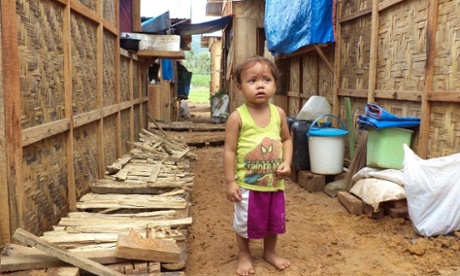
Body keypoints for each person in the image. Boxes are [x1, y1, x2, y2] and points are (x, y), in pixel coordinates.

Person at [223, 56, 293, 275]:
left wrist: (287, 162)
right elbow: (229, 151)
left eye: (267, 79)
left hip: (274, 184)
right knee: (244, 222)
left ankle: (269, 251)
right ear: (240, 87)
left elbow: (286, 140)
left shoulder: (279, 114)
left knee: (274, 220)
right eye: (252, 81)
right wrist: (230, 181)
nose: (260, 85)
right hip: (248, 186)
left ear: (274, 84)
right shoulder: (237, 117)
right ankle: (244, 254)